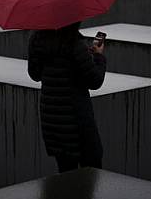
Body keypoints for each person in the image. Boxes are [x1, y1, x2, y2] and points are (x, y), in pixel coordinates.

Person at [27, 22, 106, 172]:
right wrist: (98, 57)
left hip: (52, 118)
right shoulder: (75, 43)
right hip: (77, 119)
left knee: (66, 172)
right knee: (91, 172)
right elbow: (95, 81)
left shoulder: (36, 40)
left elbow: (35, 75)